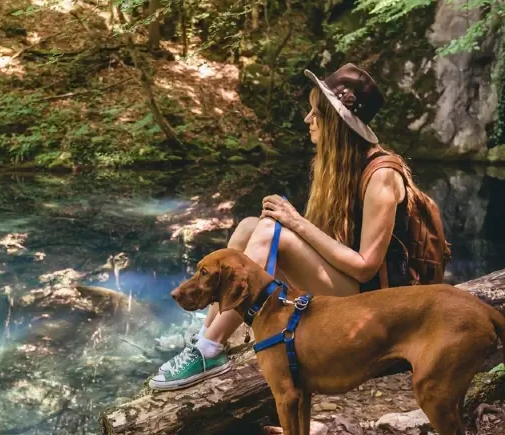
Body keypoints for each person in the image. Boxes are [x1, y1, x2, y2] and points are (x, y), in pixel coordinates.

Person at [150, 63, 413, 391]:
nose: (307, 119)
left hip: (375, 305)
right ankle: (210, 339)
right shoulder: (342, 165)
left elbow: (365, 268)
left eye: (314, 111)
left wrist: (296, 223)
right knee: (250, 226)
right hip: (347, 287)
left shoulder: (382, 176)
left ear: (335, 122)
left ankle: (209, 348)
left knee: (272, 231)